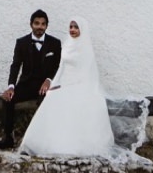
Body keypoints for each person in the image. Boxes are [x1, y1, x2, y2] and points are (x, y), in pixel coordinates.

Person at [17, 17, 116, 158]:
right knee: (50, 98)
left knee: (72, 103)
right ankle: (42, 143)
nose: (72, 30)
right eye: (71, 26)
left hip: (80, 85)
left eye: (76, 27)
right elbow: (61, 68)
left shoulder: (86, 49)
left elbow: (86, 72)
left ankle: (70, 146)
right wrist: (53, 84)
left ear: (82, 29)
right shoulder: (67, 44)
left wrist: (69, 86)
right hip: (63, 84)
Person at [0, 9, 61, 149]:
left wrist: (49, 80)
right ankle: (8, 137)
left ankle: (42, 140)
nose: (39, 26)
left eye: (43, 24)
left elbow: (57, 66)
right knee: (7, 99)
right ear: (31, 24)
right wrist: (11, 86)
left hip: (44, 86)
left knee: (45, 102)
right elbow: (15, 65)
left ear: (46, 26)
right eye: (36, 23)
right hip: (26, 84)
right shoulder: (22, 42)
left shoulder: (55, 43)